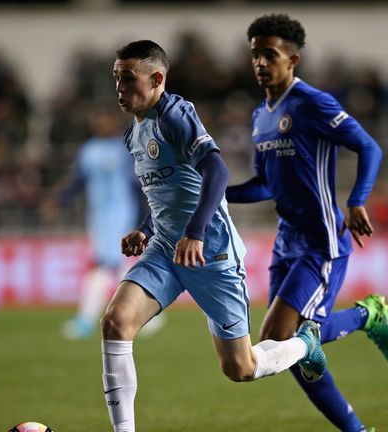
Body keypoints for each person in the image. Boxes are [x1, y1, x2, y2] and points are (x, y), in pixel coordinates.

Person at [101, 40, 326, 432]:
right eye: (116, 79)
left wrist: (196, 232)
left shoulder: (175, 114)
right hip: (165, 251)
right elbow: (168, 192)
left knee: (240, 368)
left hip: (211, 252)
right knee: (116, 322)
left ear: (156, 79)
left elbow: (217, 173)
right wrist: (144, 228)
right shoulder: (132, 134)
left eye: (127, 79)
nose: (119, 88)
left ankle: (305, 343)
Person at [226, 14, 388, 431]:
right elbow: (264, 185)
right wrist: (216, 193)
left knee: (279, 340)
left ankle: (367, 315)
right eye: (254, 54)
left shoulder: (312, 103)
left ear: (293, 60)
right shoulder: (259, 116)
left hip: (322, 241)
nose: (260, 63)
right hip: (285, 242)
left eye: (269, 54)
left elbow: (369, 148)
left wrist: (357, 200)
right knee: (288, 353)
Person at [44, 106, 163, 339]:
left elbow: (140, 184)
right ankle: (147, 316)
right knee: (120, 268)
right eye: (97, 120)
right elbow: (78, 181)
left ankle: (85, 320)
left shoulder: (126, 149)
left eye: (106, 120)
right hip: (99, 218)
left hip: (123, 215)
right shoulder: (88, 151)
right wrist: (59, 201)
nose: (101, 124)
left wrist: (144, 219)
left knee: (104, 266)